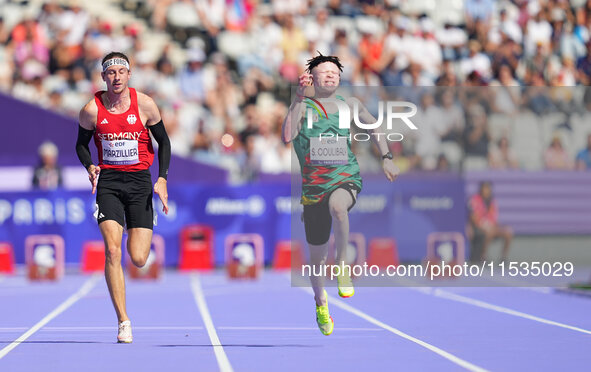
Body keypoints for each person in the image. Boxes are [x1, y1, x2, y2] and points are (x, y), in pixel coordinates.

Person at [282, 54, 399, 336]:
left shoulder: (350, 105)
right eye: (324, 72)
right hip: (313, 188)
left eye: (335, 72)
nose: (331, 75)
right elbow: (287, 136)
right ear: (311, 78)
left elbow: (375, 126)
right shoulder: (303, 105)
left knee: (339, 207)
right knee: (315, 260)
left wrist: (386, 156)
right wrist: (298, 98)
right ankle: (321, 302)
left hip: (345, 176)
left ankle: (343, 265)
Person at [75, 52, 171, 343]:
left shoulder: (145, 105)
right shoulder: (91, 110)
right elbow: (80, 145)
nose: (116, 77)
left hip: (140, 182)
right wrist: (90, 166)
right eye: (110, 72)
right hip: (109, 183)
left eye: (121, 71)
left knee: (139, 258)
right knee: (113, 251)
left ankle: (140, 221)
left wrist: (162, 178)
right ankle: (123, 321)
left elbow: (164, 142)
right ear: (103, 77)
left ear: (129, 75)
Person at [467, 181, 512, 262]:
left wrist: (493, 225)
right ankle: (483, 256)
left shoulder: (492, 201)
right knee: (489, 232)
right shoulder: (474, 199)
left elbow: (494, 218)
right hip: (479, 226)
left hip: (491, 226)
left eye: (488, 189)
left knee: (508, 231)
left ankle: (503, 258)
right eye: (485, 188)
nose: (486, 191)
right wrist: (483, 224)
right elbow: (473, 217)